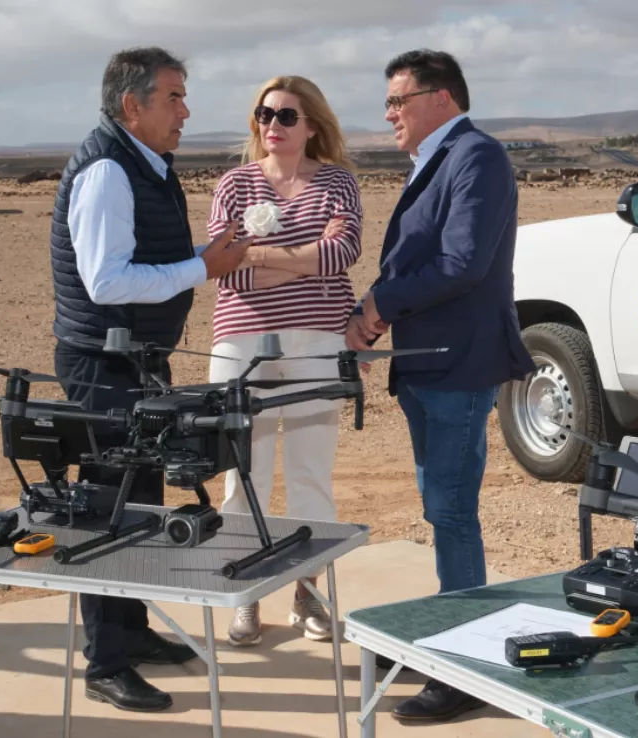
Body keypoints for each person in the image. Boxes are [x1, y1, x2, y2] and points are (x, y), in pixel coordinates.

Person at [49, 46, 251, 712]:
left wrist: (206, 256)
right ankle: (105, 662)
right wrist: (203, 269)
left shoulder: (142, 163)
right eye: (173, 97)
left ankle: (131, 632)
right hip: (102, 364)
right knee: (109, 506)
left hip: (132, 361)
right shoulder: (109, 170)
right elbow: (106, 281)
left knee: (139, 498)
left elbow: (144, 259)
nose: (185, 111)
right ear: (131, 105)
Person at [346, 49, 535, 722]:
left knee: (452, 512)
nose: (389, 114)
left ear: (442, 99)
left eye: (398, 101)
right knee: (441, 507)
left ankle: (465, 670)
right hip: (428, 363)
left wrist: (379, 304)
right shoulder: (439, 159)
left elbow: (462, 262)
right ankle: (451, 633)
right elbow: (421, 259)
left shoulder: (476, 157)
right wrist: (374, 308)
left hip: (458, 364)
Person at [205, 75, 363, 647]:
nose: (272, 124)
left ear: (312, 125)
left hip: (317, 342)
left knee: (309, 473)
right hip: (242, 342)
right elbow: (226, 268)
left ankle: (306, 591)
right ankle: (244, 589)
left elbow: (342, 252)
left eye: (287, 115)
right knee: (240, 473)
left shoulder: (337, 181)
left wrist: (265, 254)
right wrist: (303, 260)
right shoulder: (234, 184)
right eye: (264, 113)